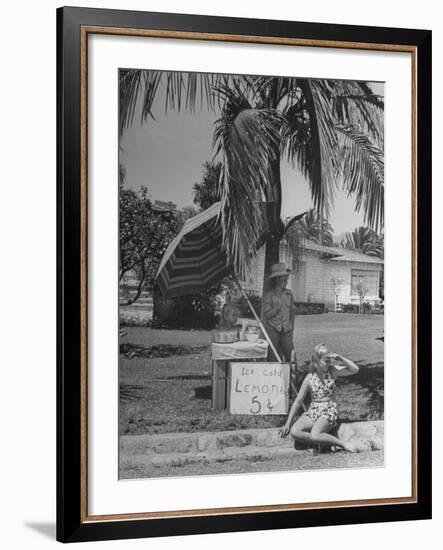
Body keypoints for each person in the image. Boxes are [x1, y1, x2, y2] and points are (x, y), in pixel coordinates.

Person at [278, 343, 359, 452]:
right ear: (316, 361)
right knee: (295, 432)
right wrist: (287, 423)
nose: (329, 362)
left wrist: (341, 358)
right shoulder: (310, 377)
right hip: (313, 411)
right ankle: (323, 443)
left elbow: (355, 369)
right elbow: (298, 401)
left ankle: (343, 444)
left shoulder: (333, 372)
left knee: (315, 435)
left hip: (328, 410)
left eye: (329, 359)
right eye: (326, 360)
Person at [261, 263, 296, 363]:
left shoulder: (289, 294)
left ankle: (292, 376)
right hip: (273, 329)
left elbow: (291, 314)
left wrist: (291, 329)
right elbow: (266, 316)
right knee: (273, 356)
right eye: (284, 279)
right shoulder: (269, 295)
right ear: (277, 280)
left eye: (286, 278)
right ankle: (276, 376)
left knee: (291, 355)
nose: (286, 281)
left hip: (286, 330)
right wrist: (275, 309)